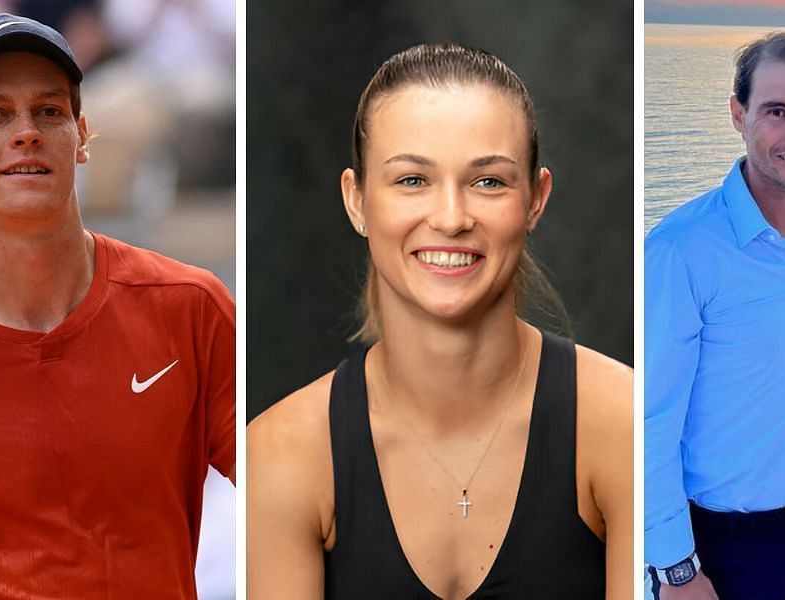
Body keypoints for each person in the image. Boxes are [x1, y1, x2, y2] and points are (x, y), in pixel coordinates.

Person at [0, 13, 234, 597]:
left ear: (80, 135)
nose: (25, 131)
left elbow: (292, 489)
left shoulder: (191, 308)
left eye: (49, 111)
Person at [246, 43, 632, 598]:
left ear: (535, 199)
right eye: (411, 181)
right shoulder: (283, 453)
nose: (451, 218)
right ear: (357, 201)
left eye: (489, 182)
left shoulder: (619, 423)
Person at [644, 31, 785, 599]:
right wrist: (675, 572)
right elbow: (648, 420)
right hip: (729, 548)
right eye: (776, 112)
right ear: (738, 114)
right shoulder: (680, 250)